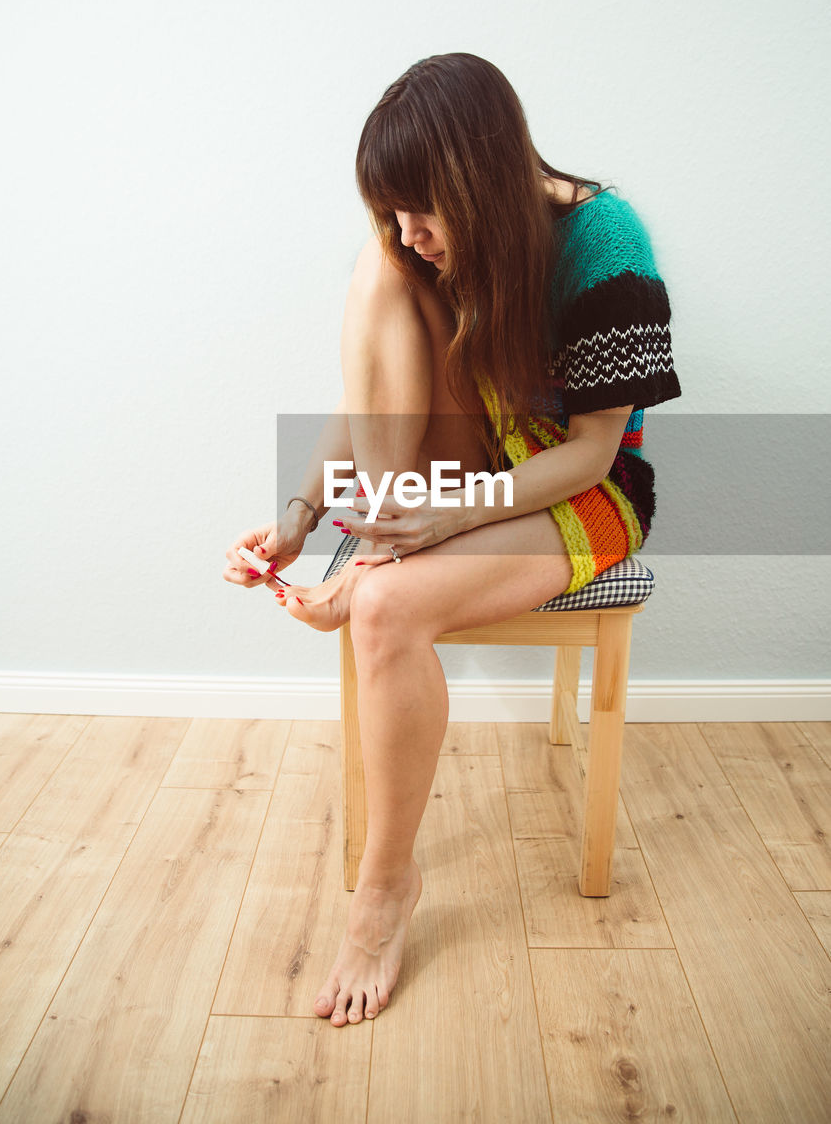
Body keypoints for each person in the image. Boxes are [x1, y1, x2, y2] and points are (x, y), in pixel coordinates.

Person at [223, 53, 681, 1027]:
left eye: (421, 212)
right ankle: (372, 545)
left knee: (384, 606)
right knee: (372, 272)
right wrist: (301, 516)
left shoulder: (603, 238)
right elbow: (366, 400)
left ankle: (383, 892)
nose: (410, 233)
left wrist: (450, 514)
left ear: (478, 178)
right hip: (469, 463)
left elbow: (597, 455)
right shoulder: (419, 249)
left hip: (577, 489)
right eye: (393, 210)